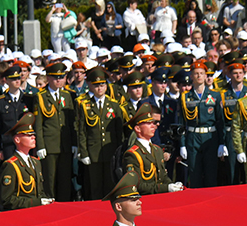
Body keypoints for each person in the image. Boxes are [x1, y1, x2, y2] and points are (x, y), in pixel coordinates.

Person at [77, 67, 124, 200]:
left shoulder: (114, 105)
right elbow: (82, 131)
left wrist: (119, 152)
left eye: (102, 85)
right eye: (96, 85)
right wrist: (84, 152)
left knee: (110, 185)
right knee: (95, 187)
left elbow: (118, 131)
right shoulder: (85, 105)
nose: (99, 88)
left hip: (110, 151)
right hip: (94, 152)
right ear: (91, 86)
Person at [34, 62, 76, 202]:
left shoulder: (67, 95)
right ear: (48, 78)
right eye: (55, 77)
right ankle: (50, 205)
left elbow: (71, 122)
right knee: (49, 179)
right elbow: (38, 124)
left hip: (65, 144)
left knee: (64, 178)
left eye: (61, 77)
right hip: (49, 144)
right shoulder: (40, 96)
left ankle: (64, 206)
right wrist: (40, 145)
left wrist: (74, 143)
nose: (59, 80)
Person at [123, 103, 182, 195]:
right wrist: (166, 188)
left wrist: (172, 185)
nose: (153, 126)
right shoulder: (133, 154)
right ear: (138, 128)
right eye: (148, 123)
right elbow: (137, 185)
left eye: (153, 123)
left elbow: (163, 176)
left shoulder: (157, 150)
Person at [0, 112, 52, 211]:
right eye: (28, 135)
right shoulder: (11, 165)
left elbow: (40, 191)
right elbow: (6, 199)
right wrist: (36, 202)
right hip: (20, 215)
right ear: (17, 139)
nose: (33, 137)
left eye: (33, 134)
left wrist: (45, 201)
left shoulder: (36, 162)